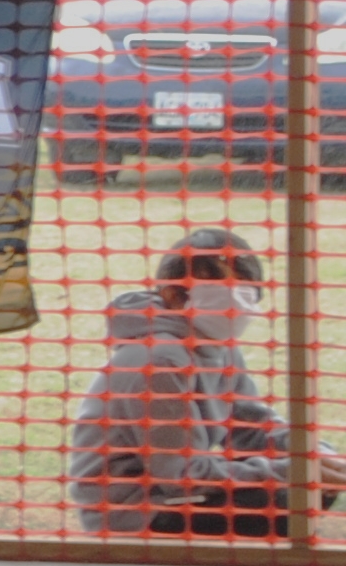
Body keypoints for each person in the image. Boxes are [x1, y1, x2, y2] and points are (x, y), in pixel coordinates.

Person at [70, 228, 342, 536]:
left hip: (174, 492)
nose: (238, 303)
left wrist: (312, 453)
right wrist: (294, 472)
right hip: (134, 513)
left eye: (245, 291)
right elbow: (181, 476)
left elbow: (251, 430)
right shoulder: (159, 361)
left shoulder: (222, 349)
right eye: (221, 289)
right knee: (288, 501)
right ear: (173, 296)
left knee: (315, 479)